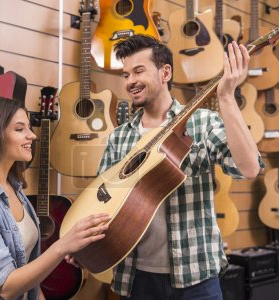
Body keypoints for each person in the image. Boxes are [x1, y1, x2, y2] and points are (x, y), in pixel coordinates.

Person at [96, 35, 264, 299]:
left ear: (165, 72)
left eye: (139, 71)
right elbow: (101, 202)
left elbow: (249, 168)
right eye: (126, 74)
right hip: (136, 277)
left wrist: (227, 98)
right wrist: (84, 245)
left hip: (197, 277)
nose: (130, 82)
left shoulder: (202, 122)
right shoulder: (119, 137)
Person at [0, 96, 110, 300]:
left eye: (29, 127)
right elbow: (6, 286)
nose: (32, 136)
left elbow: (25, 267)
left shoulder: (13, 189)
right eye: (20, 129)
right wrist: (62, 247)